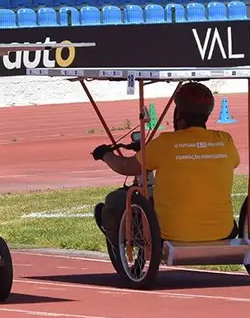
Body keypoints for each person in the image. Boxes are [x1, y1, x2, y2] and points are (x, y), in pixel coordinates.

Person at [92, 81, 241, 244]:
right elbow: (233, 162)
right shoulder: (225, 140)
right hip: (224, 232)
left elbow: (126, 167)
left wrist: (105, 154)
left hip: (170, 235)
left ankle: (126, 243)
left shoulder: (164, 142)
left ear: (178, 114)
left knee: (115, 199)